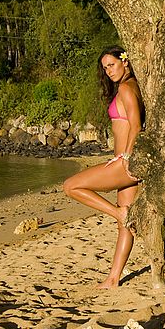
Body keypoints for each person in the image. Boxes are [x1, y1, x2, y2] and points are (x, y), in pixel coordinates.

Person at [63, 46, 145, 288]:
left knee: (71, 186)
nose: (108, 71)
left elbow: (136, 126)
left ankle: (118, 213)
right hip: (128, 162)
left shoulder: (126, 88)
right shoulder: (134, 86)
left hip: (125, 163)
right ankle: (113, 278)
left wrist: (127, 157)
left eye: (112, 65)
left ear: (126, 62)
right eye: (105, 67)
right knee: (125, 224)